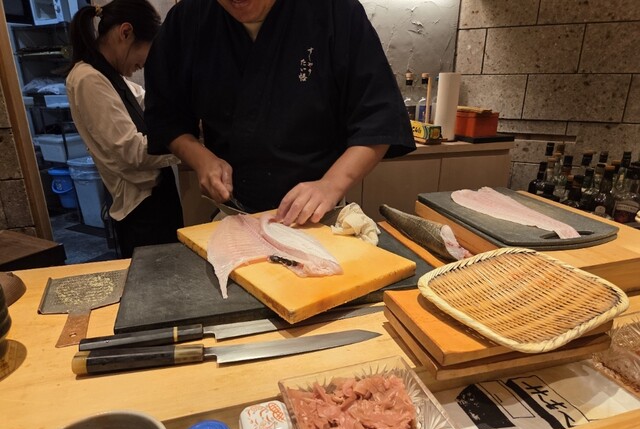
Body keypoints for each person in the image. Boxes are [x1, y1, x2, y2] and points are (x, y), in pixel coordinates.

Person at [144, 0, 415, 226]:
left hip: (320, 218)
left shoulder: (336, 10)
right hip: (234, 215)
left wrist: (331, 185)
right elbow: (166, 116)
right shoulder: (188, 20)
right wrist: (201, 158)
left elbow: (379, 118)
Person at [66, 0, 183, 258]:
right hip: (141, 211)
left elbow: (148, 101)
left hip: (157, 200)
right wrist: (187, 146)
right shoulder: (87, 79)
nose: (143, 64)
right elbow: (132, 152)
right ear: (126, 32)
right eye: (145, 55)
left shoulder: (111, 75)